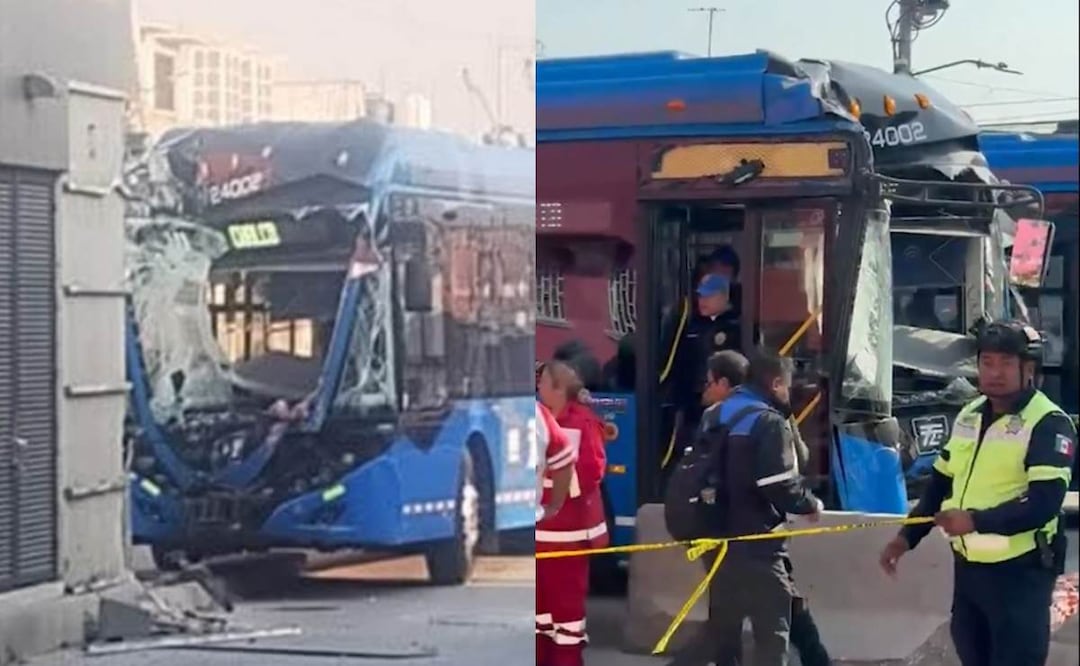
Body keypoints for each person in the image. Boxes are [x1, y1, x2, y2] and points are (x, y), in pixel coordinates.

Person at [878, 320, 1076, 666]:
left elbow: (1044, 504)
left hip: (1020, 575)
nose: (994, 372)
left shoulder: (1048, 423)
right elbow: (939, 484)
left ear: (1028, 369)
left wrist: (974, 521)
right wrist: (906, 538)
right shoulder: (969, 415)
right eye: (987, 363)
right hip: (970, 573)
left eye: (1005, 363)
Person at [674, 351, 832, 666]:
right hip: (757, 544)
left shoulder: (715, 414)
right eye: (787, 387)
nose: (788, 394)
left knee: (721, 630)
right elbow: (778, 483)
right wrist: (809, 503)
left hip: (717, 539)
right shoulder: (768, 422)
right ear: (776, 383)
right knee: (773, 633)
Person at [535, 361, 608, 666]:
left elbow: (592, 472)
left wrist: (552, 483)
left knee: (566, 613)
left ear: (558, 389)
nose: (537, 388)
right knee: (540, 612)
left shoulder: (583, 422)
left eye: (542, 383)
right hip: (541, 533)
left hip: (569, 535)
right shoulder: (541, 419)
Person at [660, 271, 742, 475]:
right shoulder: (690, 325)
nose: (701, 300)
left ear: (724, 296)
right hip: (692, 404)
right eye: (700, 295)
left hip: (723, 404)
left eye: (708, 295)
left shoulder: (737, 327)